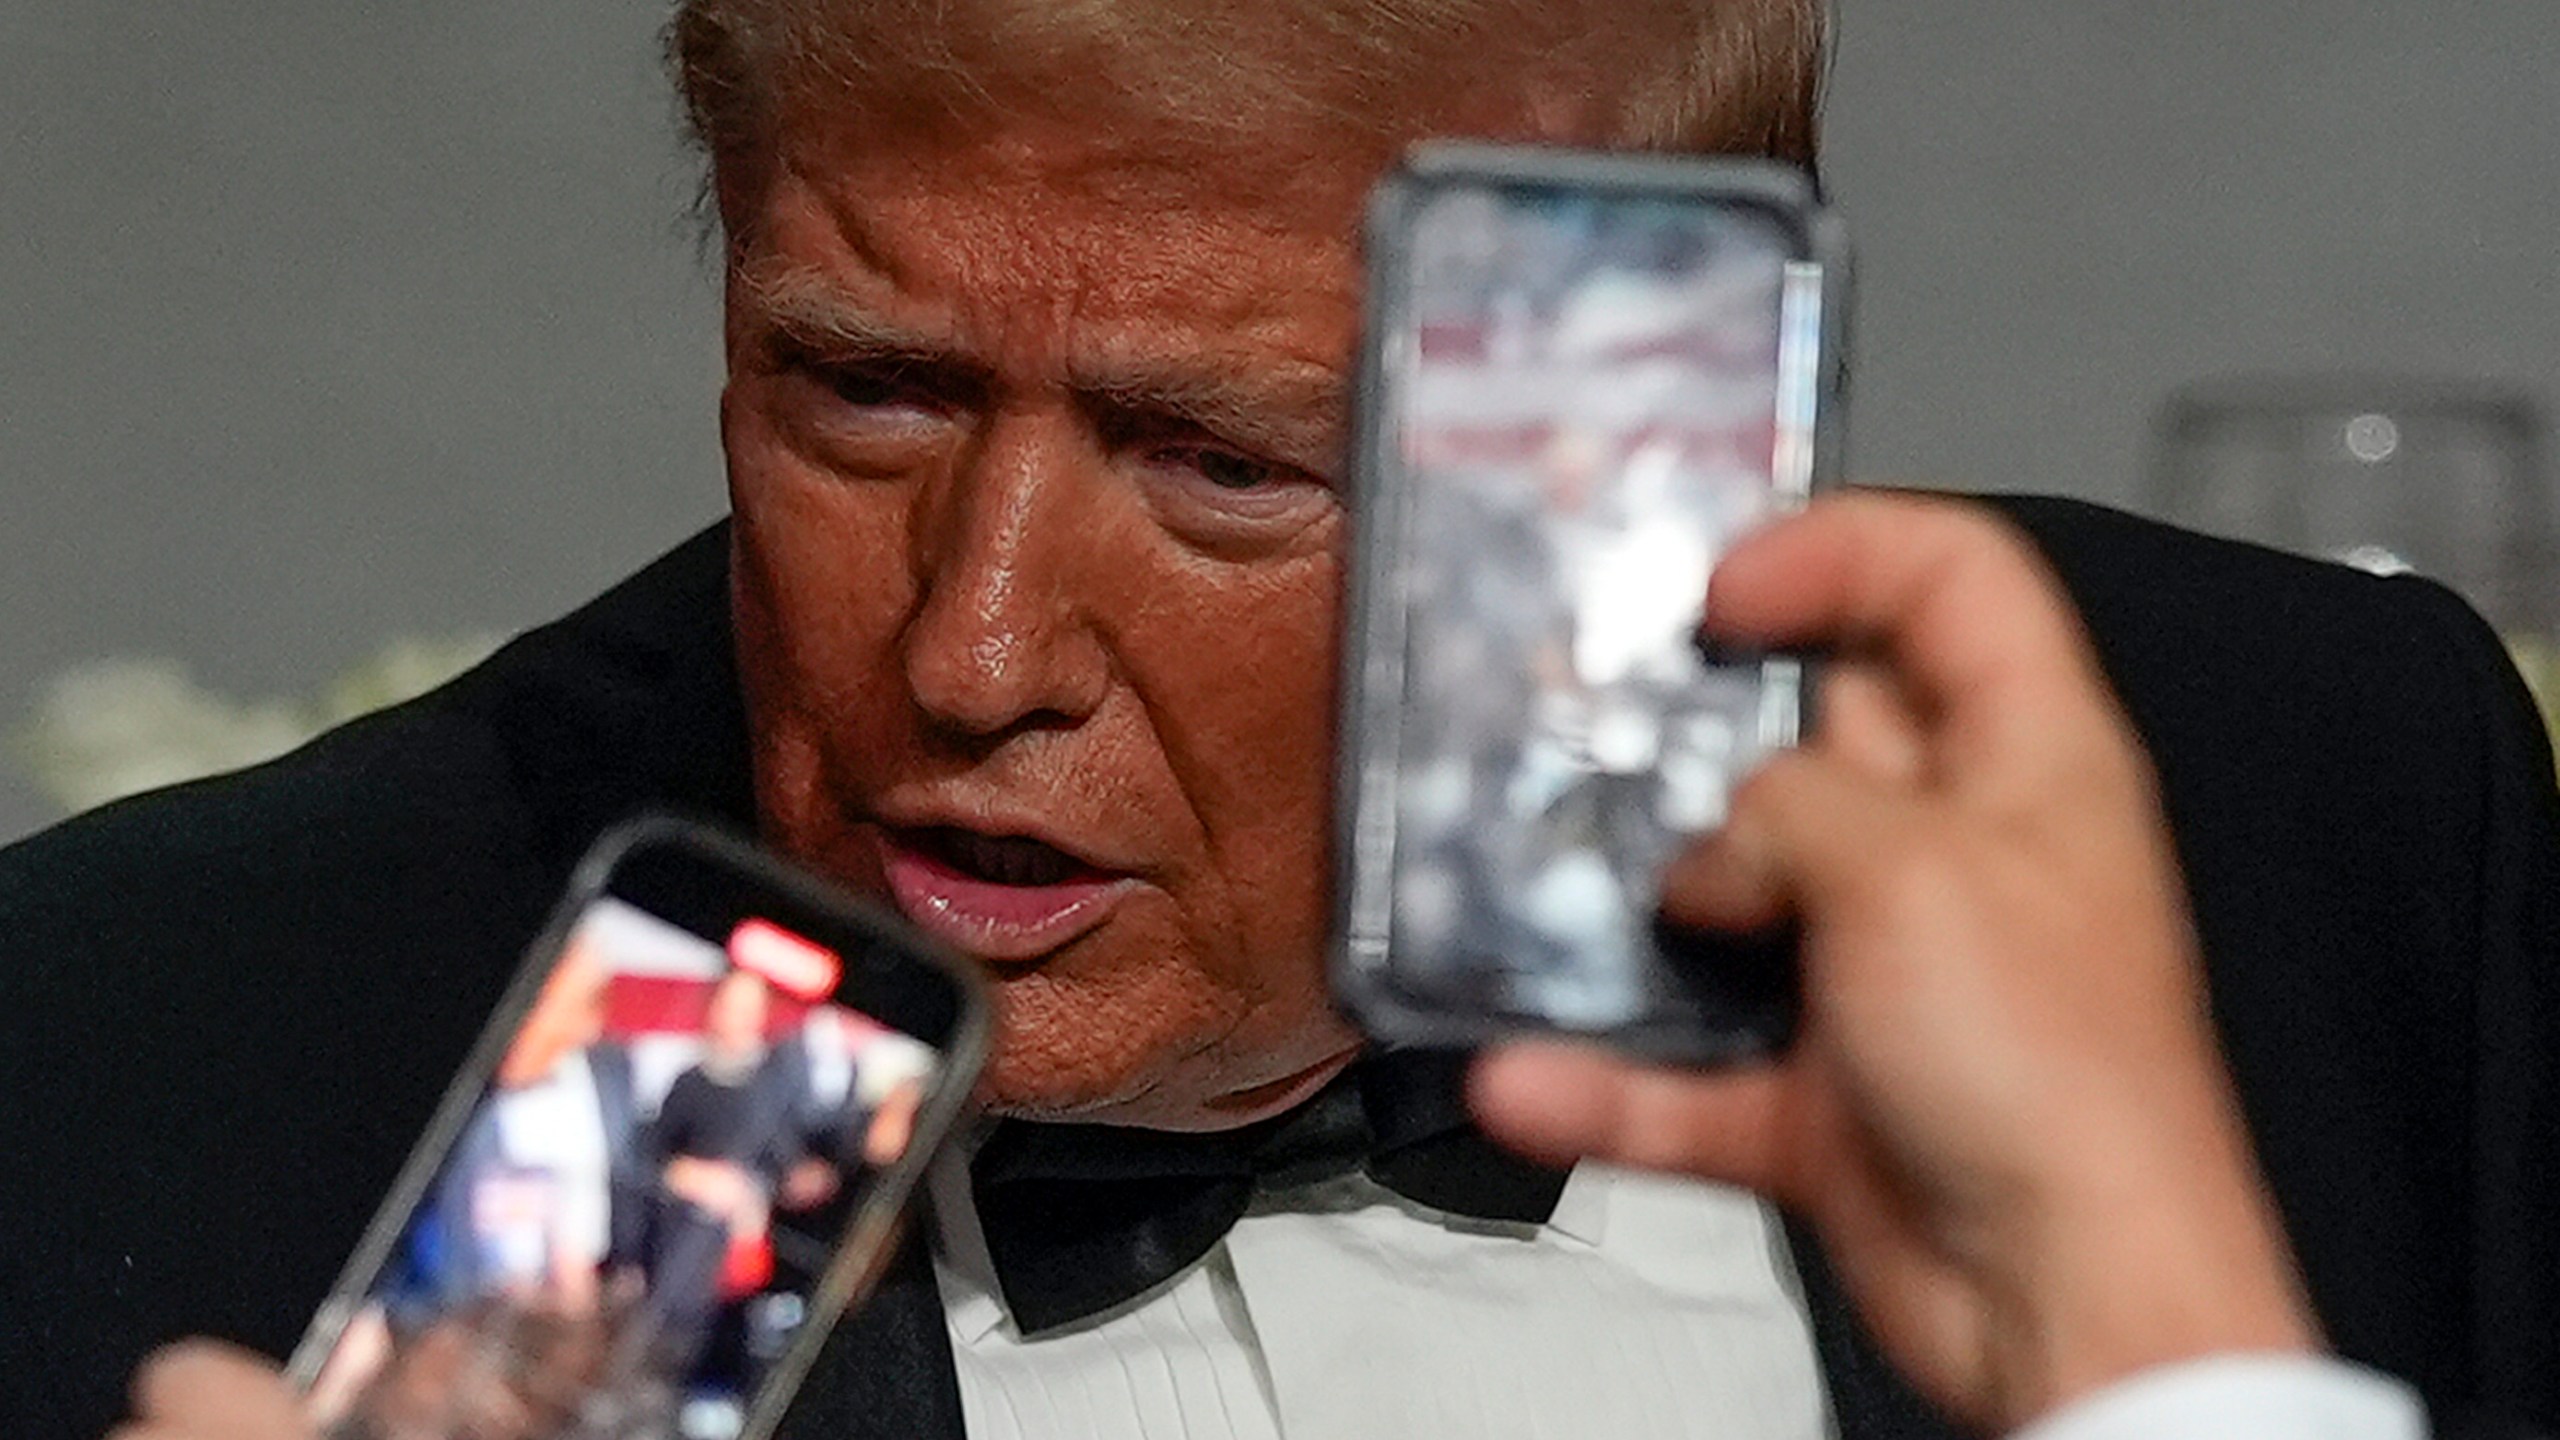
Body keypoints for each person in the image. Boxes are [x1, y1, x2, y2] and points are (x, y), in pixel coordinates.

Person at [7, 2, 2555, 1438]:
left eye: (1221, 460)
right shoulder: (169, 1043)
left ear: (1634, 440)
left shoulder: (2298, 804)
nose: (971, 653)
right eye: (857, 393)